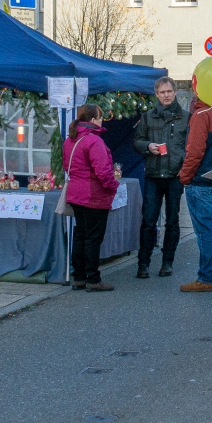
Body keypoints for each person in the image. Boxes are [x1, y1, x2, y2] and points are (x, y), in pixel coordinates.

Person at [177, 92, 212, 293]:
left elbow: (194, 151)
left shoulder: (202, 115)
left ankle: (207, 276)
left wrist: (185, 176)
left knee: (205, 231)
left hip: (201, 181)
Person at [132, 77, 188, 279]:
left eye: (169, 91)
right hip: (154, 175)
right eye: (162, 92)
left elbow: (190, 146)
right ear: (156, 95)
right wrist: (147, 146)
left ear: (175, 92)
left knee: (172, 222)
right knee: (148, 221)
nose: (166, 95)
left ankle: (167, 263)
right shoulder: (147, 117)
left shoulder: (186, 117)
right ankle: (143, 263)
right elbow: (136, 140)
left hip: (174, 176)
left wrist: (185, 167)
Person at [63, 104, 119, 291]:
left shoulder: (70, 139)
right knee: (93, 239)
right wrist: (113, 186)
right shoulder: (94, 141)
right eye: (100, 117)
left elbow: (66, 166)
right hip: (93, 195)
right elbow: (103, 172)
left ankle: (79, 278)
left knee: (80, 235)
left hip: (76, 193)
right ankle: (93, 280)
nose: (102, 120)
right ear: (94, 120)